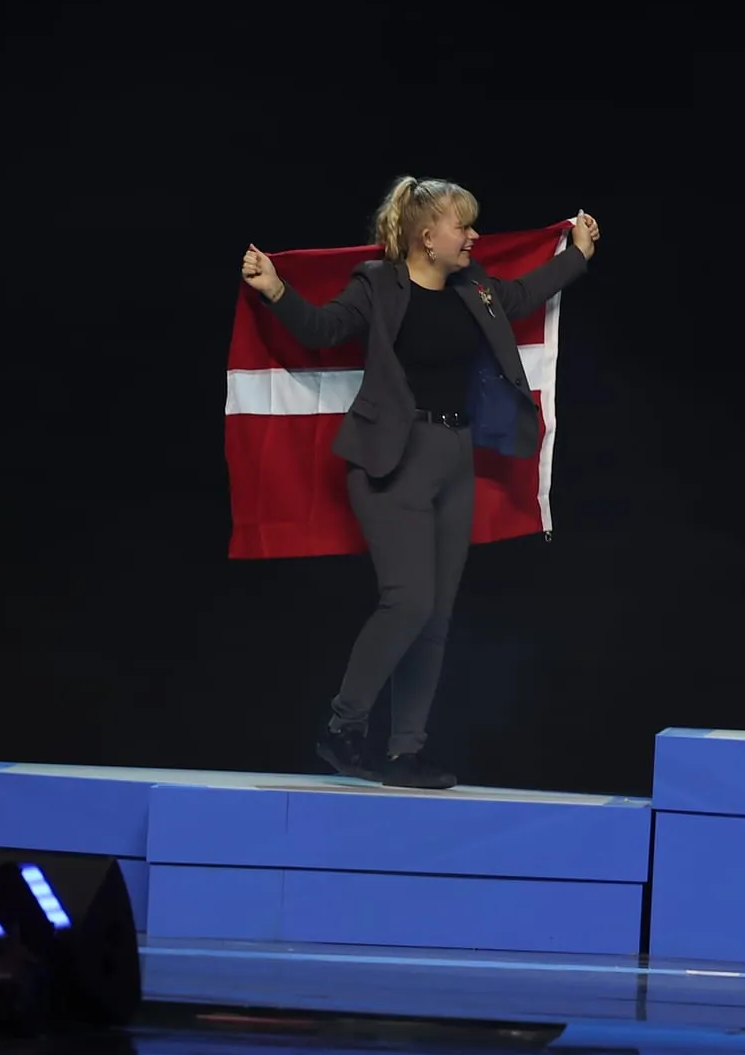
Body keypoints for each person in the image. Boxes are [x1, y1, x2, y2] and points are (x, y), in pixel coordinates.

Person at [240, 178, 598, 789]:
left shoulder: (474, 287)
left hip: (455, 458)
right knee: (408, 600)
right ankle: (343, 726)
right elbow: (323, 328)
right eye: (464, 226)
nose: (474, 236)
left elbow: (523, 294)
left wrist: (578, 256)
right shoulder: (377, 285)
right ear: (427, 237)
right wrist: (276, 289)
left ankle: (404, 752)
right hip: (393, 459)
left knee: (436, 617)